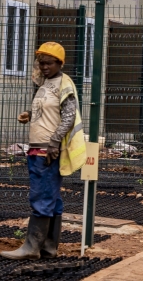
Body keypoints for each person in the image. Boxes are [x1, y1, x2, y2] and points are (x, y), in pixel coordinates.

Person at [3, 43, 86, 260]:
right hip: (38, 148)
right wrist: (29, 114)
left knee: (41, 195)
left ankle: (31, 248)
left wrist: (54, 143)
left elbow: (68, 116)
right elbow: (51, 111)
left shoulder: (63, 84)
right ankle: (48, 247)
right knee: (52, 197)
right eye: (41, 63)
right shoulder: (45, 83)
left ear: (60, 63)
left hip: (46, 151)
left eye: (49, 63)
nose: (44, 67)